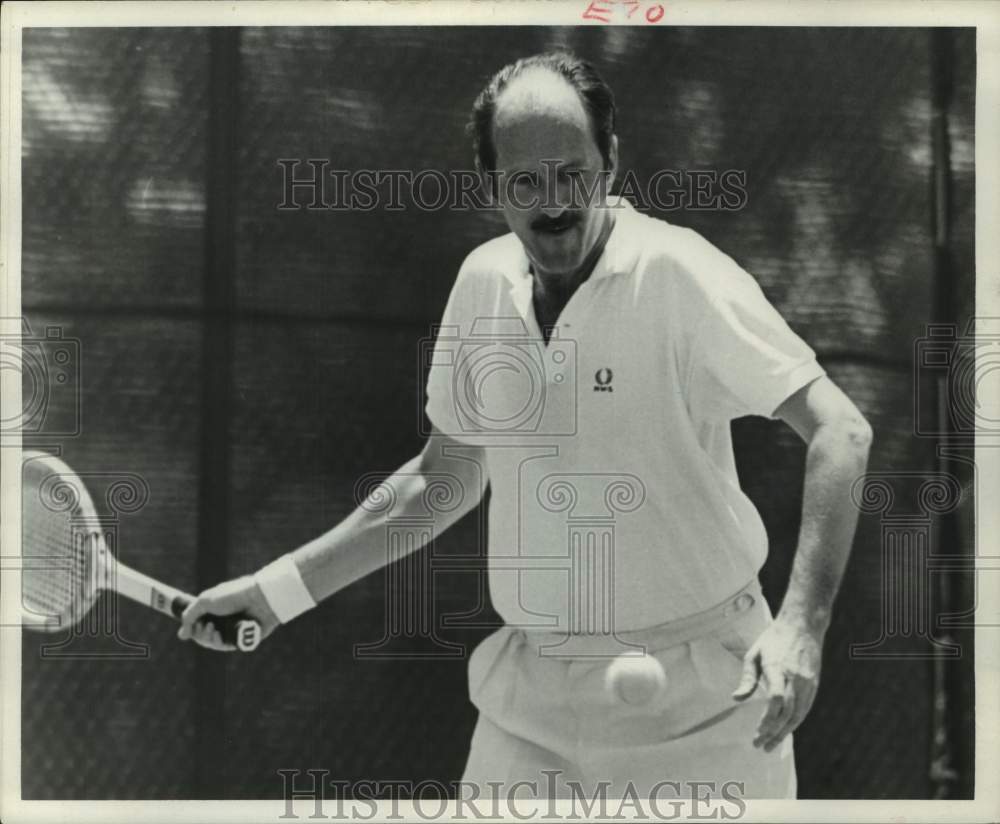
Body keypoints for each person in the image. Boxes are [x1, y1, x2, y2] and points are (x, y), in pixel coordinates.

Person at [178, 52, 873, 801]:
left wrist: (800, 624)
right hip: (533, 710)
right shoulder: (482, 285)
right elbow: (441, 482)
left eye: (571, 172)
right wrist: (274, 593)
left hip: (710, 706)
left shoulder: (681, 275)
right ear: (492, 188)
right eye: (525, 181)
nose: (553, 202)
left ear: (610, 162)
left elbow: (842, 431)